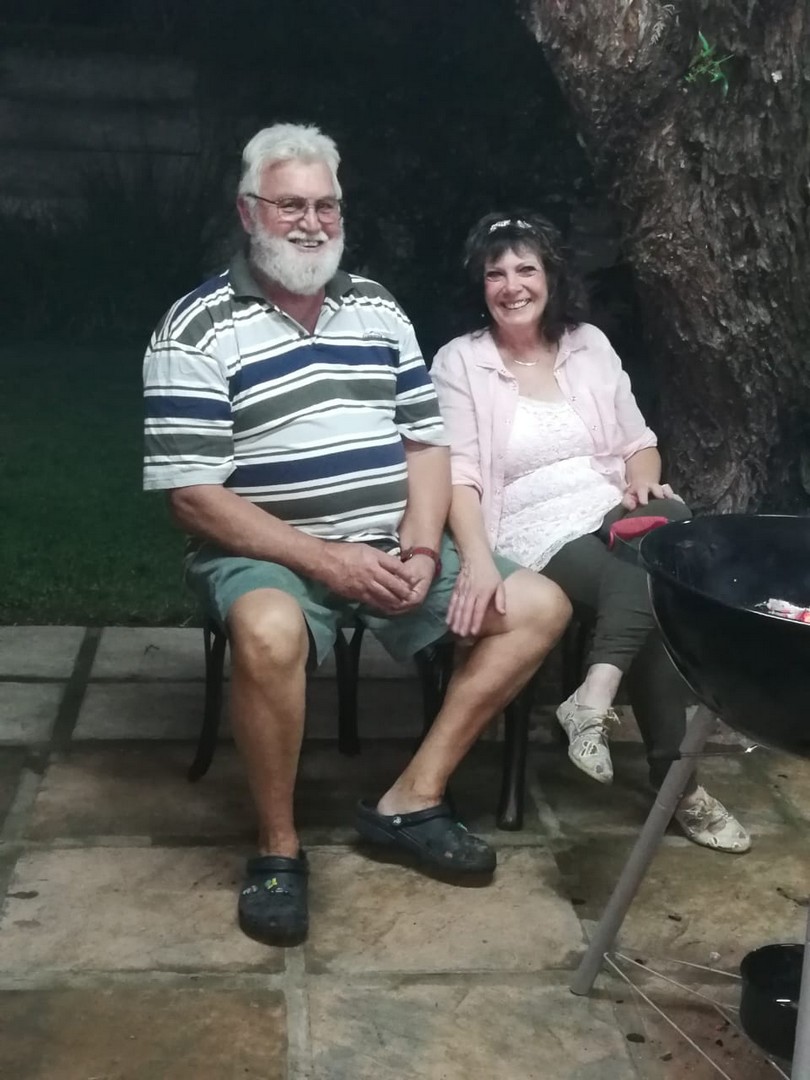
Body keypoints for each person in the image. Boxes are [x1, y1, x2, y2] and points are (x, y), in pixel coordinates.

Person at [142, 133, 571, 947]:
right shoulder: (194, 329)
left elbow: (426, 443)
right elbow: (192, 499)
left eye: (326, 205)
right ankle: (277, 849)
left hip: (389, 541)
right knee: (270, 632)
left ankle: (412, 798)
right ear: (249, 213)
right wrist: (323, 559)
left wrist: (421, 546)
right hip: (264, 552)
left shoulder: (376, 308)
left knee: (539, 605)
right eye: (290, 205)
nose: (312, 223)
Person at [430, 211, 750, 854]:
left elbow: (638, 444)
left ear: (550, 277)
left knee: (672, 515)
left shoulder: (588, 345)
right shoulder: (461, 362)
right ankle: (677, 786)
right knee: (658, 585)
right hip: (529, 523)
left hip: (606, 506)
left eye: (526, 269)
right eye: (496, 274)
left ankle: (593, 697)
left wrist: (643, 483)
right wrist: (477, 558)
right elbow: (457, 477)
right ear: (480, 286)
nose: (512, 286)